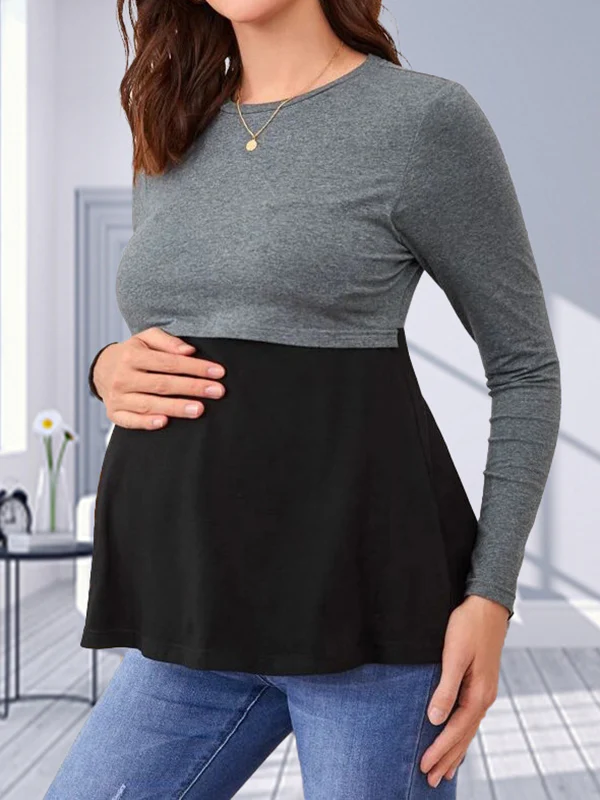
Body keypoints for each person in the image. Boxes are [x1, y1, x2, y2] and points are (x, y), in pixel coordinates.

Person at [45, 0, 561, 798]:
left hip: (371, 627)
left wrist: (490, 596)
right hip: (192, 614)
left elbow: (526, 367)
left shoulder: (422, 120)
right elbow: (180, 330)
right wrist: (105, 369)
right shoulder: (171, 122)